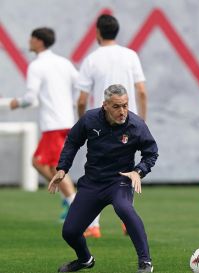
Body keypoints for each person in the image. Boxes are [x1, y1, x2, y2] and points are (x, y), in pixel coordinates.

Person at [48, 84, 158, 273]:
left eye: (125, 105)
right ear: (105, 105)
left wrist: (138, 171)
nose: (122, 111)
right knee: (70, 232)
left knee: (125, 209)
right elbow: (73, 142)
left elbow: (151, 153)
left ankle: (145, 262)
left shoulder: (136, 125)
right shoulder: (90, 119)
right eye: (116, 106)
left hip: (120, 181)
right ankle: (85, 260)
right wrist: (62, 168)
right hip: (92, 182)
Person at [76, 14, 147, 237]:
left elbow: (81, 99)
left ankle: (93, 225)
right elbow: (142, 91)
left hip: (102, 124)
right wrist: (141, 121)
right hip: (128, 122)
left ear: (97, 32)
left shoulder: (91, 59)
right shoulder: (131, 55)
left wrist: (84, 124)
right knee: (128, 167)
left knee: (94, 172)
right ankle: (127, 218)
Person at [10, 27, 77, 220]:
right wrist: (70, 103)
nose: (29, 41)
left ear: (39, 41)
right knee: (47, 164)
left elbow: (30, 98)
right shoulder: (63, 63)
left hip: (53, 123)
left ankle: (74, 202)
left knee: (42, 163)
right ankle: (69, 197)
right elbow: (80, 85)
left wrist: (17, 103)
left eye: (32, 38)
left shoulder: (37, 66)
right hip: (66, 121)